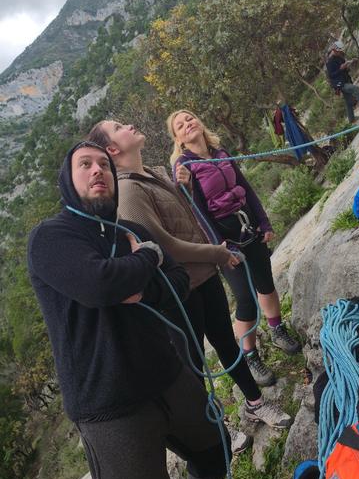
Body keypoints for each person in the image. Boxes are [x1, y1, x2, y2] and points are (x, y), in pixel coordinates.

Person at [28, 141, 253, 479]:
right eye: (85, 165)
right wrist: (146, 258)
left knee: (215, 448)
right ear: (67, 180)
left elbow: (176, 281)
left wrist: (140, 281)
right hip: (109, 405)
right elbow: (100, 285)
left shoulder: (127, 229)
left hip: (166, 375)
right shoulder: (51, 238)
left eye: (104, 165)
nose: (98, 171)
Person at [87, 121, 289, 428]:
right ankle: (214, 429)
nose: (128, 125)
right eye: (118, 127)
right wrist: (216, 253)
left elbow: (184, 217)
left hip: (203, 277)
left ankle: (255, 403)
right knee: (193, 364)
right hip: (179, 291)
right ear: (112, 149)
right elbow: (163, 246)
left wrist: (186, 189)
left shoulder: (154, 172)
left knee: (226, 343)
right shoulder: (128, 192)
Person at [166, 109, 300, 364]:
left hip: (249, 227)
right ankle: (250, 354)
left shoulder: (220, 153)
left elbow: (245, 187)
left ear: (199, 121)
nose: (187, 124)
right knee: (245, 299)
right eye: (180, 125)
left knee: (266, 283)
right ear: (178, 139)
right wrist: (222, 248)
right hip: (224, 241)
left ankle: (277, 329)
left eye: (190, 118)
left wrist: (263, 222)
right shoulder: (184, 166)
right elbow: (197, 213)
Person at [326, 41, 359, 122]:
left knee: (349, 101)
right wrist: (340, 69)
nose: (340, 53)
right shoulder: (329, 62)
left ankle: (351, 119)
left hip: (346, 79)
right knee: (356, 89)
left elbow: (345, 68)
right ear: (334, 50)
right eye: (338, 51)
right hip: (340, 83)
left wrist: (349, 64)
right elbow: (331, 75)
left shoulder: (340, 57)